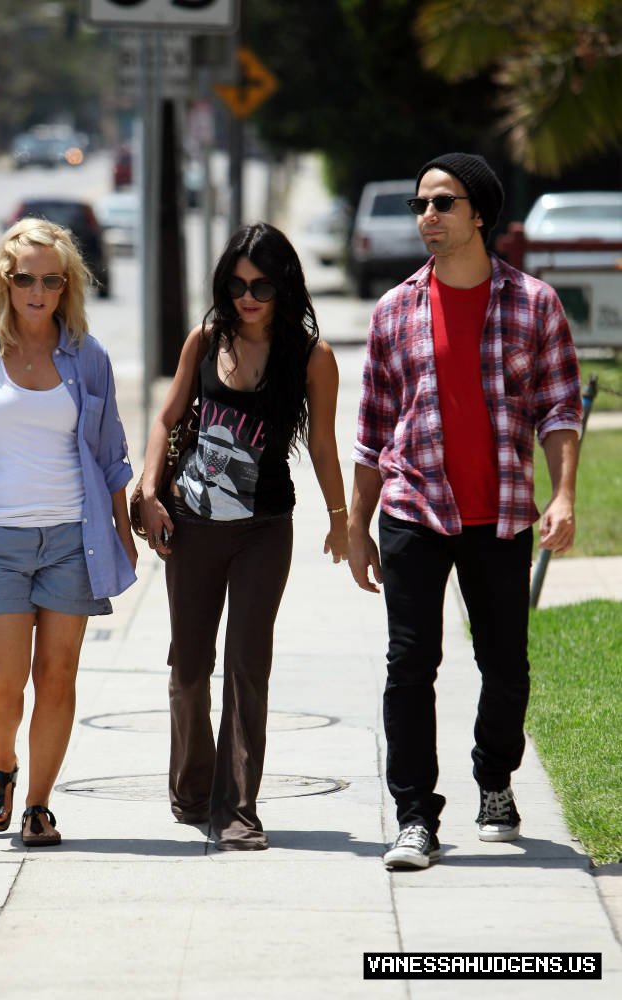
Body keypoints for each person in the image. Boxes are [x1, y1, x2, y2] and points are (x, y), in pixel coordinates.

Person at [347, 153, 582, 869]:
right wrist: (356, 528)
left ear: (477, 213)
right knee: (409, 665)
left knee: (504, 663)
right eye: (421, 203)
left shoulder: (533, 303)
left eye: (441, 203)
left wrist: (565, 493)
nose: (426, 216)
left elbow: (559, 408)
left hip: (502, 513)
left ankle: (495, 780)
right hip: (414, 510)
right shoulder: (393, 310)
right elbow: (371, 427)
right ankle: (414, 816)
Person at [0, 217, 137, 846]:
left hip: (74, 538)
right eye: (24, 279)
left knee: (58, 676)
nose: (37, 291)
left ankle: (39, 805)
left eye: (50, 279)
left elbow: (110, 455)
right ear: (6, 281)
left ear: (66, 284)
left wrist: (124, 529)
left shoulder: (87, 356)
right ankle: (4, 764)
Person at [138, 221, 348, 851]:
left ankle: (238, 808)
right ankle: (192, 788)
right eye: (235, 283)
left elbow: (323, 443)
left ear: (285, 285)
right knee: (189, 666)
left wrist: (342, 519)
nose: (247, 296)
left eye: (260, 284)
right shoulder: (205, 340)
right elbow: (168, 417)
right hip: (192, 524)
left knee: (247, 663)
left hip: (264, 528)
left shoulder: (312, 358)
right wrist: (149, 492)